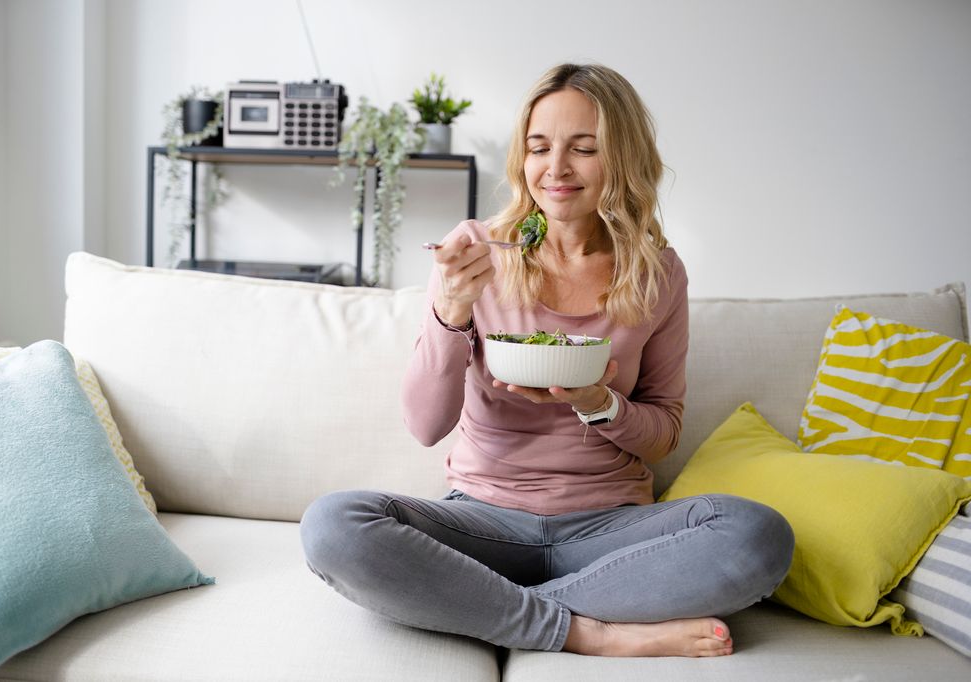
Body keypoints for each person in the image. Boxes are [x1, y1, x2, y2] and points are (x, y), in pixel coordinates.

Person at [300, 63, 794, 658]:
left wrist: (598, 402)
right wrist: (452, 308)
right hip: (482, 522)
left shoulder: (658, 271)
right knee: (333, 525)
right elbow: (425, 426)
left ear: (623, 159)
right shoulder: (477, 256)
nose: (555, 170)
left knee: (759, 536)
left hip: (610, 530)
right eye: (539, 148)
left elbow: (662, 434)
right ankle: (587, 631)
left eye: (583, 149)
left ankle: (480, 604)